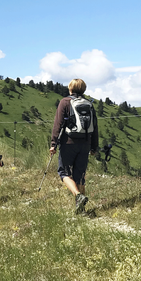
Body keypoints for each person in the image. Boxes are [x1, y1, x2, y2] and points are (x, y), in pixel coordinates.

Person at [50, 78, 99, 214]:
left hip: (68, 143)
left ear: (70, 88)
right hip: (85, 143)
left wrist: (53, 144)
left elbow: (57, 125)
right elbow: (95, 127)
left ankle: (78, 196)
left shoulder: (65, 102)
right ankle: (81, 210)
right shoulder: (89, 104)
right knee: (80, 176)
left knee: (64, 172)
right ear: (83, 89)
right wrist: (94, 147)